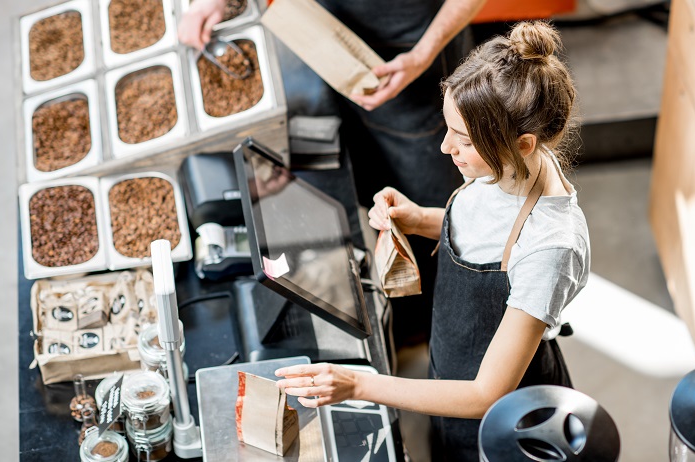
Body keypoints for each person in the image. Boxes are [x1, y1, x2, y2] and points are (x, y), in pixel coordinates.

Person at [274, 21, 590, 461]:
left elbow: (485, 393)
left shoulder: (550, 250)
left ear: (522, 143)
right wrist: (421, 219)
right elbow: (491, 235)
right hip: (453, 363)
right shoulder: (510, 166)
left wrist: (358, 385)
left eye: (462, 140)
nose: (445, 148)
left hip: (498, 411)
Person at [180, 0, 488, 347]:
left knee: (429, 201)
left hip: (411, 53)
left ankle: (426, 323)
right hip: (326, 33)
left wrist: (423, 54)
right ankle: (397, 307)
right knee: (368, 177)